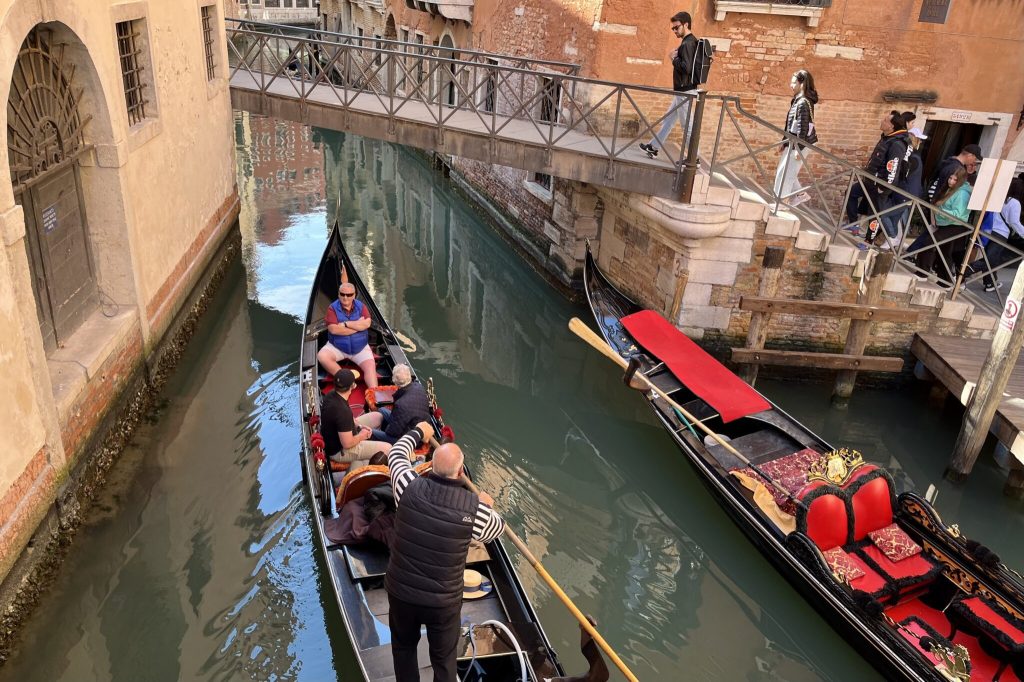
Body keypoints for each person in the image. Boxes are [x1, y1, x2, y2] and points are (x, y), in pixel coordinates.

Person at [386, 421, 505, 682]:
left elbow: (395, 454)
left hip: (402, 594)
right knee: (443, 660)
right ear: (461, 472)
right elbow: (496, 530)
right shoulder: (475, 510)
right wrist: (486, 506)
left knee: (404, 650)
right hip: (442, 604)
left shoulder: (407, 485)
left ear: (430, 467)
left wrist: (420, 432)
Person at [845, 111, 910, 248]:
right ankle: (854, 224)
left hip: (880, 185)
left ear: (892, 126)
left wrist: (884, 187)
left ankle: (868, 242)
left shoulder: (896, 144)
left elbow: (893, 167)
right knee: (851, 192)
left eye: (885, 120)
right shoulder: (886, 138)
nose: (882, 121)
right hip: (869, 181)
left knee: (874, 214)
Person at [638, 12, 698, 159]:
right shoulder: (690, 42)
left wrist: (673, 58)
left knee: (687, 126)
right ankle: (653, 147)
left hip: (685, 90)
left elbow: (686, 68)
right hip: (684, 89)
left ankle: (693, 159)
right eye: (673, 29)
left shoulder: (687, 44)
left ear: (686, 25)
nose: (675, 31)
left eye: (677, 27)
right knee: (669, 119)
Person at [321, 368, 391, 469]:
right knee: (388, 448)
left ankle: (369, 447)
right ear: (352, 386)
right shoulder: (342, 412)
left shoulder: (332, 394)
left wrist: (359, 425)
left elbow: (348, 417)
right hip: (339, 451)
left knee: (378, 416)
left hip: (344, 434)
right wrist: (362, 435)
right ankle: (369, 470)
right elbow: (347, 443)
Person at [915, 168, 973, 285]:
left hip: (956, 225)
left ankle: (922, 273)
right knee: (944, 252)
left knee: (930, 242)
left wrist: (940, 211)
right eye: (950, 178)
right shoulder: (952, 190)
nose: (950, 181)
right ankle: (945, 281)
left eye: (954, 179)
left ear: (960, 180)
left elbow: (957, 214)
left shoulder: (962, 194)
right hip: (946, 224)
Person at [317, 282, 378, 389]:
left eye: (349, 295)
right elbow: (334, 330)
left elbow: (367, 324)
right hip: (337, 347)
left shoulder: (361, 307)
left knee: (370, 368)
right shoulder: (332, 308)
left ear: (354, 295)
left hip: (360, 348)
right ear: (339, 294)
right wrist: (358, 327)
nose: (345, 297)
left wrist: (346, 324)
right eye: (342, 294)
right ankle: (347, 381)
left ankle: (375, 397)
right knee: (322, 356)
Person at [968, 178, 1024, 292]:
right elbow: (1014, 222)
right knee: (990, 260)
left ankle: (990, 283)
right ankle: (963, 272)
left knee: (990, 257)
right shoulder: (1015, 203)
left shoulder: (1000, 199)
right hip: (1000, 234)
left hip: (989, 230)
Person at [773, 69, 818, 207]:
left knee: (784, 175)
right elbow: (790, 125)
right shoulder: (798, 101)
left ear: (802, 83)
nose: (791, 85)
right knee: (786, 172)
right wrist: (784, 142)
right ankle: (799, 194)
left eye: (794, 82)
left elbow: (802, 128)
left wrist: (798, 148)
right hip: (794, 143)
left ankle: (781, 204)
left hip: (800, 144)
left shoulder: (803, 102)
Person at [371, 364, 432, 445]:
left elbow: (392, 432)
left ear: (394, 381)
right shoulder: (418, 386)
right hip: (414, 425)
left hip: (411, 439)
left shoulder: (401, 405)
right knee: (382, 410)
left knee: (371, 432)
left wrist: (388, 428)